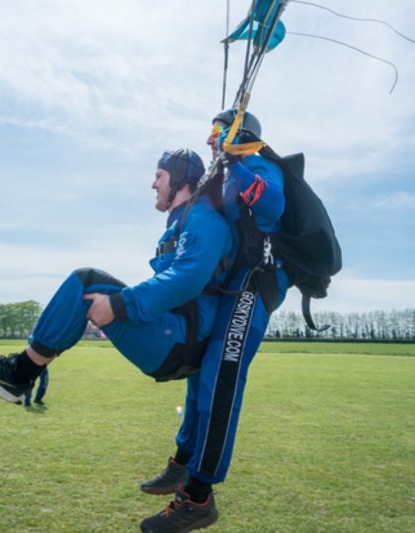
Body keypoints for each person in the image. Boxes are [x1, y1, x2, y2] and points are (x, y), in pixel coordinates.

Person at [0, 148, 234, 530]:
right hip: (174, 334)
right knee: (89, 290)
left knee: (86, 281)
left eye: (159, 174)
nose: (153, 183)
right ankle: (20, 372)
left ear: (181, 178)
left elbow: (187, 279)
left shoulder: (203, 217)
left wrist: (121, 305)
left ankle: (19, 372)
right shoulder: (184, 219)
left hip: (181, 340)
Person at [137, 109, 290, 533]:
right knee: (200, 367)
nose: (210, 139)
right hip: (228, 286)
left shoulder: (258, 164)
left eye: (218, 132)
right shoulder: (223, 175)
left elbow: (270, 207)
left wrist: (236, 158)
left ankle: (199, 497)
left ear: (240, 135)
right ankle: (184, 462)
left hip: (257, 282)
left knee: (222, 373)